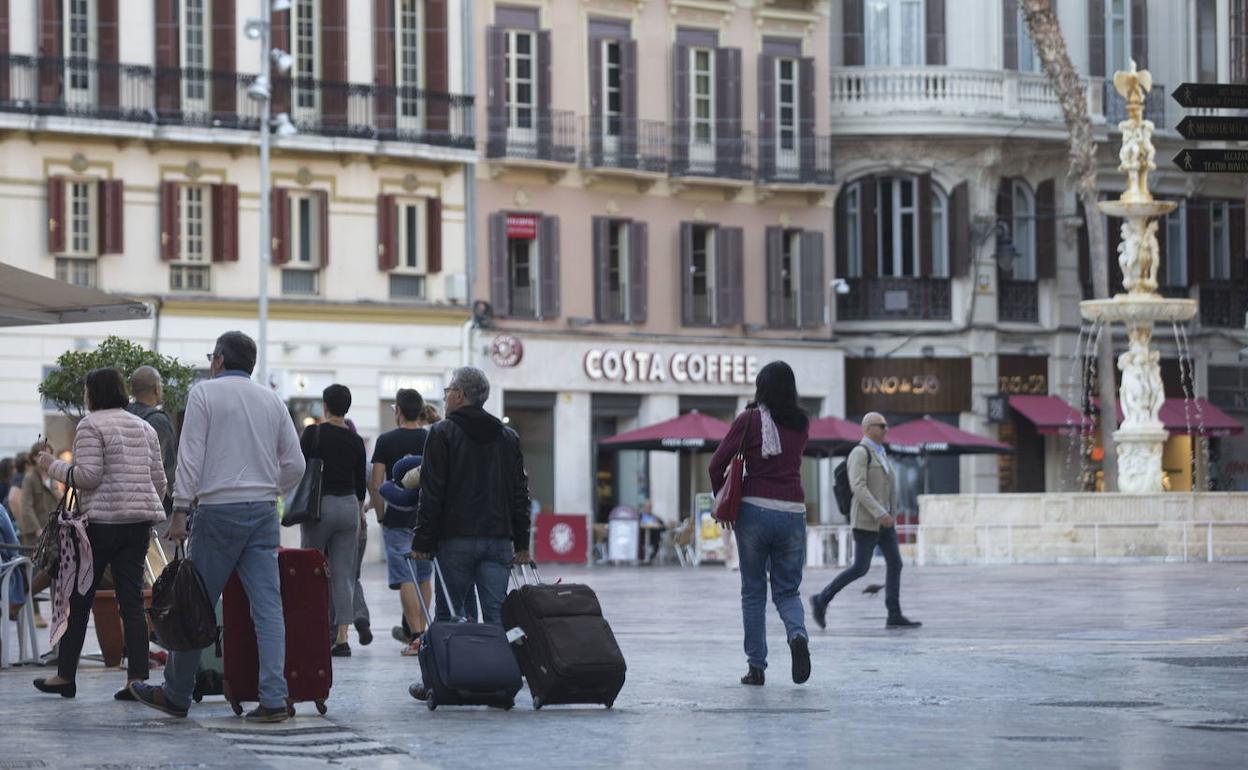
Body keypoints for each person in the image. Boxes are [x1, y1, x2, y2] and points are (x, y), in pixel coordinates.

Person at [130, 331, 305, 723]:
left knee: (195, 605)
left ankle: (176, 694)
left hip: (216, 512)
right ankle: (274, 698)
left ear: (219, 361)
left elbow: (190, 457)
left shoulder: (204, 395)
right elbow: (296, 464)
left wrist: (180, 510)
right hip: (262, 513)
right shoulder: (272, 399)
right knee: (268, 607)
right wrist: (268, 486)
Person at [31, 368, 167, 700]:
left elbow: (88, 476)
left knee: (80, 598)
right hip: (137, 525)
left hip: (101, 525)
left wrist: (51, 464)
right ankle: (136, 679)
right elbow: (159, 480)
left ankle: (66, 676)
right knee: (132, 602)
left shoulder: (91, 425)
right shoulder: (144, 426)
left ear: (93, 394)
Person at [709, 361, 811, 687]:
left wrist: (723, 500)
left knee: (753, 592)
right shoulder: (801, 423)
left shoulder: (749, 420)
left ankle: (756, 667)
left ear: (761, 387)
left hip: (754, 512)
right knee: (787, 589)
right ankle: (797, 635)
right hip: (793, 511)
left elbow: (716, 464)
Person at [809, 412, 921, 631]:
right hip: (867, 521)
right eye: (882, 425)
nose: (886, 429)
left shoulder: (881, 453)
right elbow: (858, 487)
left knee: (895, 563)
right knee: (860, 568)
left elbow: (889, 488)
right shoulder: (860, 453)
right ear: (868, 427)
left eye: (886, 425)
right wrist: (880, 513)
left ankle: (894, 613)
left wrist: (891, 514)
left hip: (885, 522)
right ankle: (822, 599)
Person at [300, 384, 366, 657]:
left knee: (310, 569)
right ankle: (342, 638)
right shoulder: (355, 440)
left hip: (319, 507)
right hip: (349, 506)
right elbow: (361, 484)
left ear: (325, 406)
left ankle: (312, 631)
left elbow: (299, 468)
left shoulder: (313, 433)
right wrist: (359, 512)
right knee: (344, 574)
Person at [368, 389, 432, 655]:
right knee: (425, 575)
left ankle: (415, 636)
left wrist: (381, 514)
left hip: (396, 517)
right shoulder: (431, 438)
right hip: (427, 518)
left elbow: (376, 481)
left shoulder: (385, 440)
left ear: (399, 411)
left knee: (405, 576)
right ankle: (425, 637)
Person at [126, 366, 178, 518]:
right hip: (154, 505)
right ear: (156, 388)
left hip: (123, 501)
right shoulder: (158, 420)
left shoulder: (123, 413)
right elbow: (165, 466)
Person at [19, 441, 59, 629]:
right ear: (34, 457)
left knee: (51, 571)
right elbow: (25, 505)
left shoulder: (51, 477)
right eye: (42, 454)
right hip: (37, 534)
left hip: (53, 532)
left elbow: (59, 500)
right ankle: (33, 612)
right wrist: (36, 528)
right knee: (35, 572)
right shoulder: (30, 478)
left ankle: (54, 612)